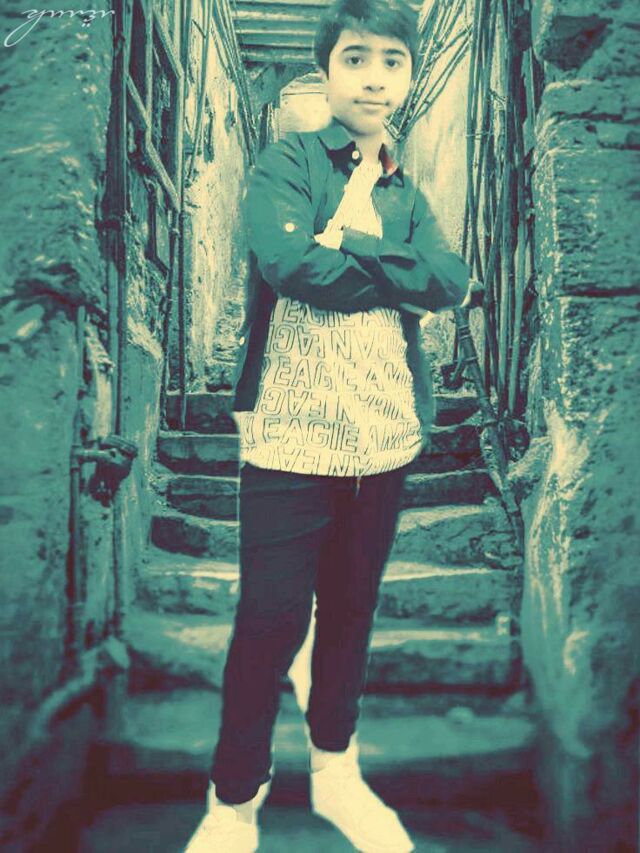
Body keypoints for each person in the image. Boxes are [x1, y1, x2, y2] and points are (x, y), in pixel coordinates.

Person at [184, 1, 480, 850]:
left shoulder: (405, 189)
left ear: (409, 74)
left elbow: (452, 277)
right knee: (271, 617)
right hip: (292, 433)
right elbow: (289, 264)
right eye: (356, 58)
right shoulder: (285, 161)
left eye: (392, 60)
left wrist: (356, 245)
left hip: (383, 434)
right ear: (327, 70)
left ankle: (336, 772)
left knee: (351, 612)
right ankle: (233, 800)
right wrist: (400, 276)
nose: (374, 77)